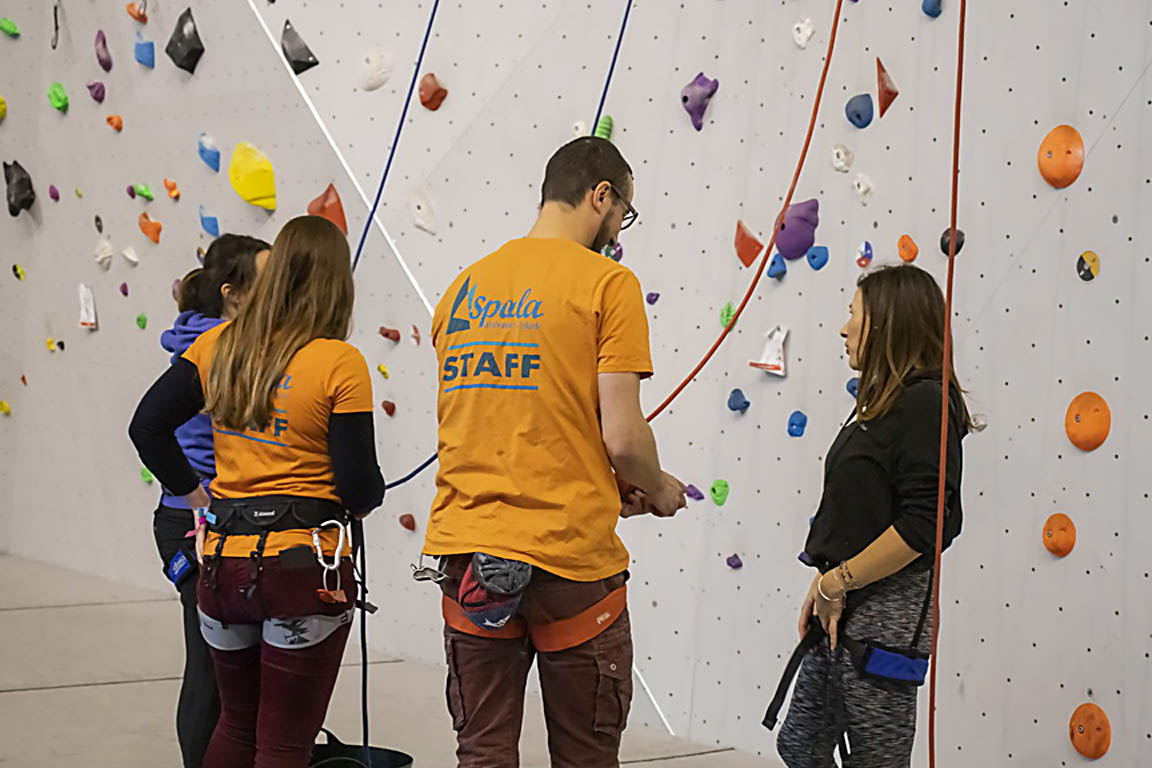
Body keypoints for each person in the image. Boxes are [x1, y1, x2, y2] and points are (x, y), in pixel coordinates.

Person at [421, 136, 688, 768]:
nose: (620, 228)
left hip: (470, 554)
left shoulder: (462, 290)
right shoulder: (608, 284)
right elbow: (623, 437)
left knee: (482, 753)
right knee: (584, 758)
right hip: (570, 559)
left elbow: (509, 420)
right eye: (623, 211)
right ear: (602, 196)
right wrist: (658, 486)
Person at [129, 216, 385, 768]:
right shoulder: (339, 362)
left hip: (224, 562)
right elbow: (358, 486)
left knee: (237, 726)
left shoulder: (218, 346)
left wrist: (195, 494)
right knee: (285, 744)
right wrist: (371, 494)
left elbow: (146, 424)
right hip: (301, 569)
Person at [770, 264, 972, 768]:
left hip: (885, 619)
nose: (843, 328)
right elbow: (855, 511)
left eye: (853, 314)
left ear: (885, 323)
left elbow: (925, 525)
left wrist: (836, 582)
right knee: (800, 745)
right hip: (841, 603)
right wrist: (821, 584)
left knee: (876, 760)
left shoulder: (927, 403)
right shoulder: (883, 401)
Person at [152, 234, 270, 768]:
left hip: (209, 519)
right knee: (210, 670)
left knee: (234, 671)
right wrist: (194, 492)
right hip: (200, 523)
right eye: (270, 283)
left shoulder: (221, 342)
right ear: (234, 294)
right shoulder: (221, 349)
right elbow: (147, 427)